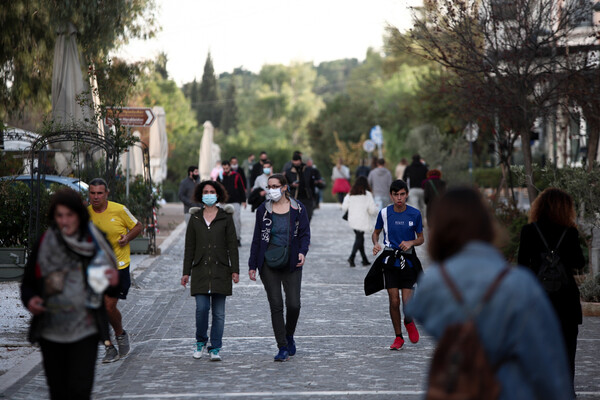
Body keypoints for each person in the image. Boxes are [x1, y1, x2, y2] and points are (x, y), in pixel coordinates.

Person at [407, 187, 574, 400]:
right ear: (486, 225)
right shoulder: (520, 285)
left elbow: (417, 310)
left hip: (455, 388)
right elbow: (547, 368)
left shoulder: (432, 283)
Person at [21, 188, 119, 399]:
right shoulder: (44, 243)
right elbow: (28, 284)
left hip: (85, 329)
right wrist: (31, 300)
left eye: (69, 215)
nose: (64, 221)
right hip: (51, 330)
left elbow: (107, 286)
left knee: (80, 390)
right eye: (59, 215)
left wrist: (111, 281)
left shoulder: (94, 241)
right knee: (58, 391)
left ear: (79, 215)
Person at [518, 188, 584, 395]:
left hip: (537, 301)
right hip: (566, 301)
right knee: (567, 351)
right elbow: (579, 263)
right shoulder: (570, 233)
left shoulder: (529, 231)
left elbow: (521, 266)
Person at [248, 174, 311, 362]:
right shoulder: (263, 210)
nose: (271, 190)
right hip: (268, 262)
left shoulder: (298, 208)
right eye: (269, 186)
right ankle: (282, 346)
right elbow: (257, 239)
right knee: (276, 305)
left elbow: (305, 234)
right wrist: (252, 265)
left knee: (294, 304)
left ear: (284, 187)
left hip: (292, 261)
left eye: (275, 186)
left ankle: (289, 334)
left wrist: (302, 252)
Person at [181, 180, 239, 361]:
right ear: (200, 195)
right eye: (205, 191)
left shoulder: (226, 217)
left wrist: (235, 270)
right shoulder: (195, 218)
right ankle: (200, 341)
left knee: (219, 313)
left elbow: (232, 246)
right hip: (199, 270)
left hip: (221, 270)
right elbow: (189, 246)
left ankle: (215, 347)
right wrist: (186, 272)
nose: (209, 194)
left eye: (212, 191)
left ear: (218, 194)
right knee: (202, 308)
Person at [88, 178, 143, 363]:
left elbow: (138, 226)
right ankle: (109, 347)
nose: (96, 197)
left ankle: (120, 334)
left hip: (118, 266)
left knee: (109, 306)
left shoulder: (119, 209)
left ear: (106, 194)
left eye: (99, 193)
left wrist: (126, 238)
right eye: (92, 193)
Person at [368, 179, 424, 350]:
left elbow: (421, 238)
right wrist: (376, 244)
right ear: (391, 196)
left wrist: (411, 242)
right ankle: (398, 337)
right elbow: (375, 233)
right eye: (396, 195)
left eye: (402, 194)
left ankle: (408, 320)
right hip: (390, 260)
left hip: (408, 261)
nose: (399, 198)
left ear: (406, 194)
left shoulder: (415, 214)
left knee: (407, 303)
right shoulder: (384, 213)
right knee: (394, 301)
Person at [341, 176, 378, 267]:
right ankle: (352, 257)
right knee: (359, 238)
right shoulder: (368, 194)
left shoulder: (350, 194)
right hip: (362, 220)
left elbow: (344, 207)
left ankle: (364, 259)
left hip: (353, 220)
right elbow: (372, 210)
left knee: (359, 238)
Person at [217, 160, 247, 246]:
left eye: (227, 168)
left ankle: (237, 238)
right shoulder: (220, 177)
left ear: (229, 167)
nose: (225, 169)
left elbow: (241, 188)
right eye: (224, 168)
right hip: (223, 202)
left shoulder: (236, 176)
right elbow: (217, 189)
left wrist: (244, 200)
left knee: (236, 221)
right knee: (222, 221)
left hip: (235, 202)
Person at [285, 153, 317, 221]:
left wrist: (313, 196)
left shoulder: (308, 170)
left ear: (300, 160)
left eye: (297, 161)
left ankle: (304, 229)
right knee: (295, 217)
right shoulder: (288, 172)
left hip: (307, 197)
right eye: (294, 161)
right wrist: (292, 185)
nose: (296, 163)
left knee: (308, 216)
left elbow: (312, 184)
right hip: (294, 197)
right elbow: (285, 185)